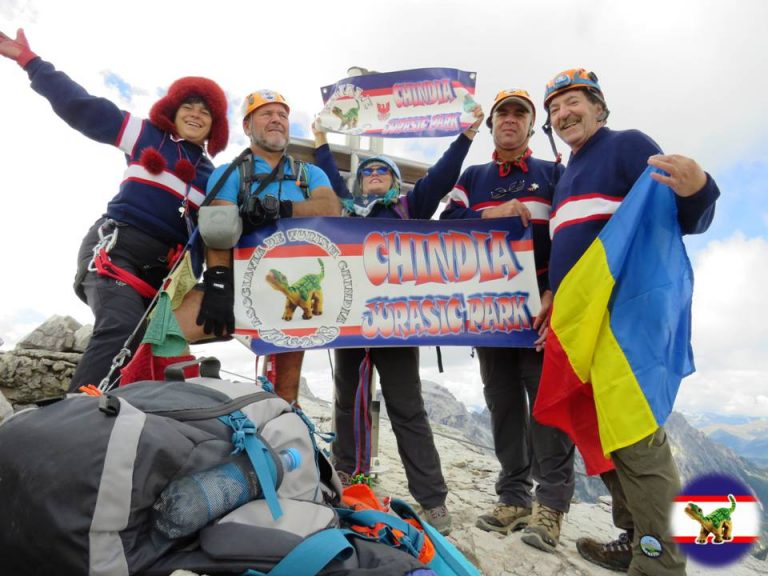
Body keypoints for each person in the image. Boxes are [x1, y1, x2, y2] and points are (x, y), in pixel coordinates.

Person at [540, 68, 719, 575]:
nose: (562, 113)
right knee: (599, 432)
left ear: (599, 108)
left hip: (626, 321)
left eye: (572, 101)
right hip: (584, 323)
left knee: (635, 435)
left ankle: (661, 562)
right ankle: (635, 536)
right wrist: (554, 290)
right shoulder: (567, 174)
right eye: (554, 108)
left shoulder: (626, 145)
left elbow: (680, 212)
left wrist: (699, 188)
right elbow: (574, 244)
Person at [0, 29, 229, 392]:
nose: (196, 114)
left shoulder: (215, 180)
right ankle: (75, 427)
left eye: (206, 111)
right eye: (188, 106)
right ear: (173, 110)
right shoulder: (146, 135)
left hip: (165, 280)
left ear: (215, 126)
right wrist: (32, 63)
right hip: (115, 250)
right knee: (122, 329)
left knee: (163, 355)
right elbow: (83, 106)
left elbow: (225, 233)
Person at [311, 105, 485, 535]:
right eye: (367, 170)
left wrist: (464, 137)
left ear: (393, 179)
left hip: (397, 323)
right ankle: (348, 478)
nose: (373, 173)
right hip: (351, 323)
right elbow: (331, 181)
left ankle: (432, 499)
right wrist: (319, 142)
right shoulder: (346, 210)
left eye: (381, 170)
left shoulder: (411, 205)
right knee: (346, 401)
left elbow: (441, 177)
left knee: (408, 407)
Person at [439, 89, 575, 552]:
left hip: (542, 309)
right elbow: (443, 226)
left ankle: (550, 506)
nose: (511, 119)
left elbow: (571, 235)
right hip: (490, 312)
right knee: (502, 405)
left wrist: (558, 291)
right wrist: (489, 214)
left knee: (547, 406)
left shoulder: (554, 173)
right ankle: (513, 497)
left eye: (521, 113)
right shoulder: (473, 176)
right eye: (503, 113)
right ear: (493, 124)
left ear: (532, 125)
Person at [200, 89, 339, 403]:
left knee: (286, 393)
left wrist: (280, 209)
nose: (277, 120)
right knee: (167, 331)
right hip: (240, 286)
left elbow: (330, 207)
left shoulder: (309, 173)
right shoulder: (229, 173)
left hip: (291, 289)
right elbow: (218, 230)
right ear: (248, 126)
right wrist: (218, 283)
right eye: (266, 113)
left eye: (283, 115)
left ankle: (278, 440)